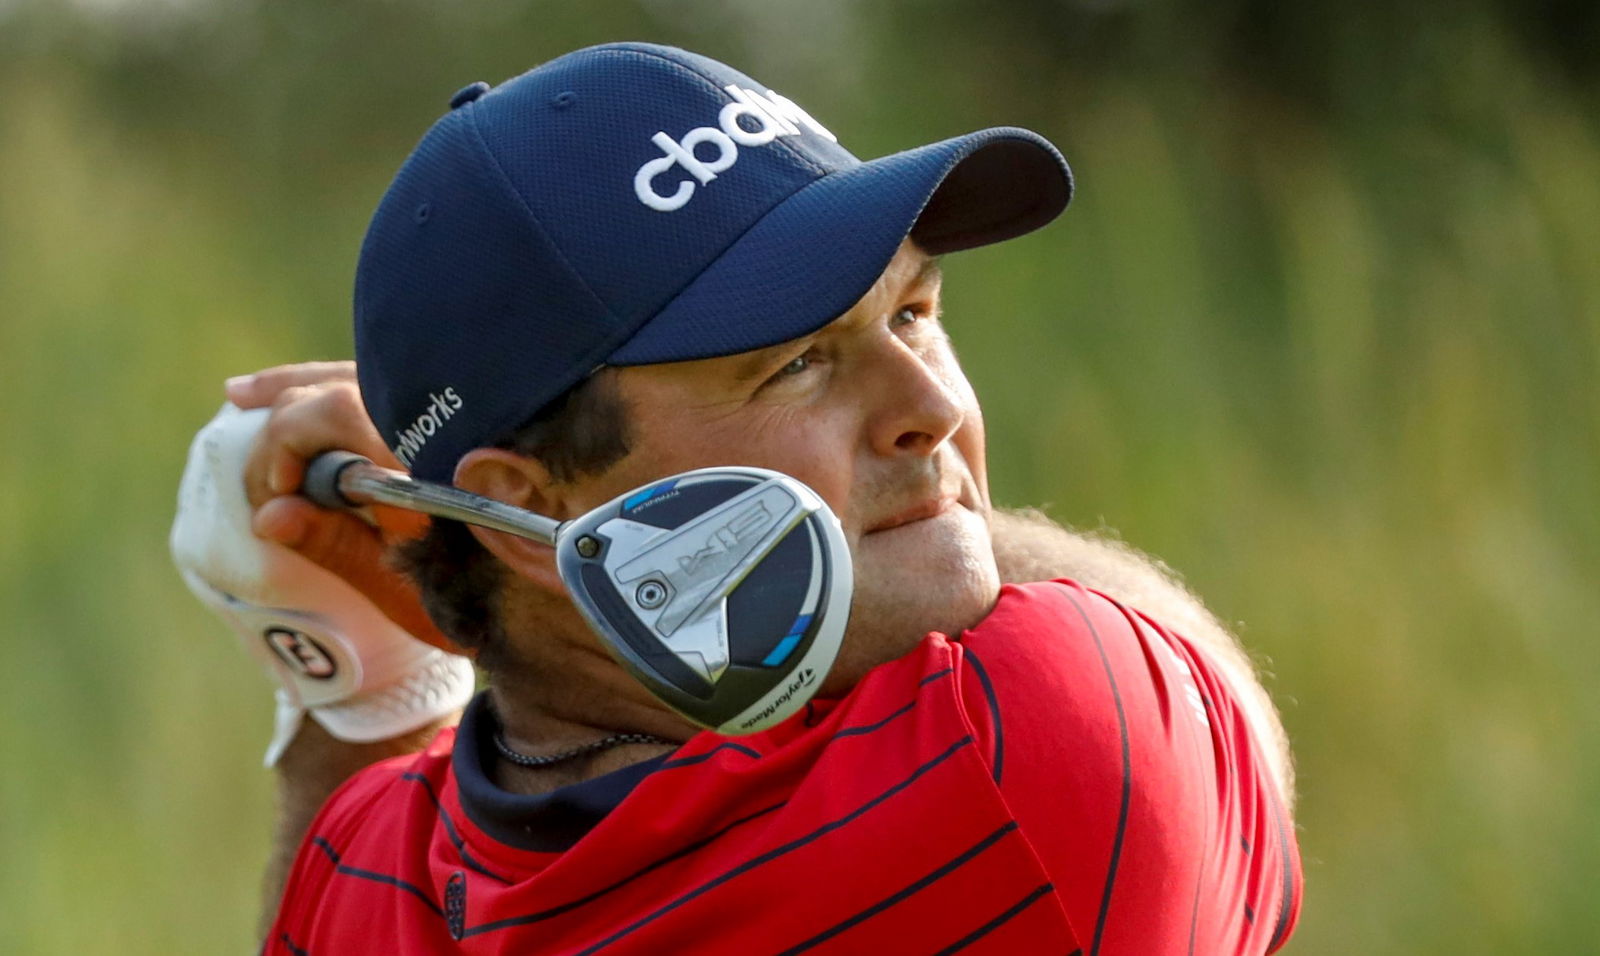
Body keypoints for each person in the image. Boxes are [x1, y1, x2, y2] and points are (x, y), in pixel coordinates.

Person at [197, 42, 1300, 953]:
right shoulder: (1019, 747)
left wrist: (358, 695)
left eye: (913, 313)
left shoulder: (364, 869)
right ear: (540, 505)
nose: (930, 405)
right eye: (797, 363)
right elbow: (1186, 680)